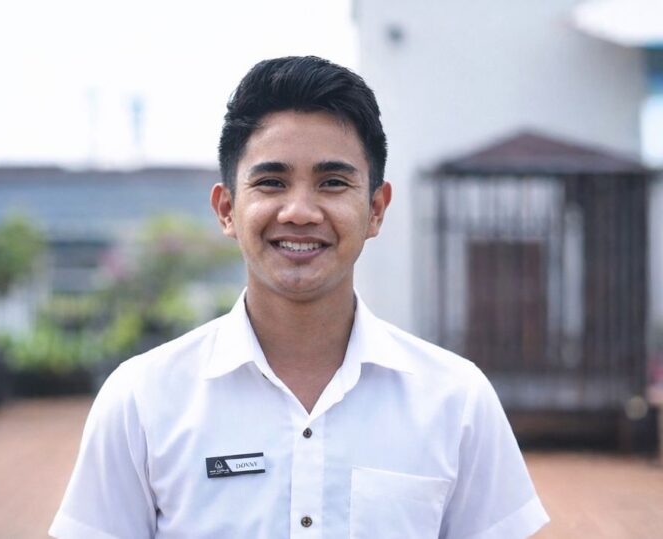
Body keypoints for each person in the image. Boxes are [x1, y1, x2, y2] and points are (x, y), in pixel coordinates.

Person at [49, 56, 549, 539]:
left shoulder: (457, 400)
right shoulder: (142, 398)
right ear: (227, 209)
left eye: (332, 182)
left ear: (376, 209)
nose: (300, 212)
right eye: (272, 182)